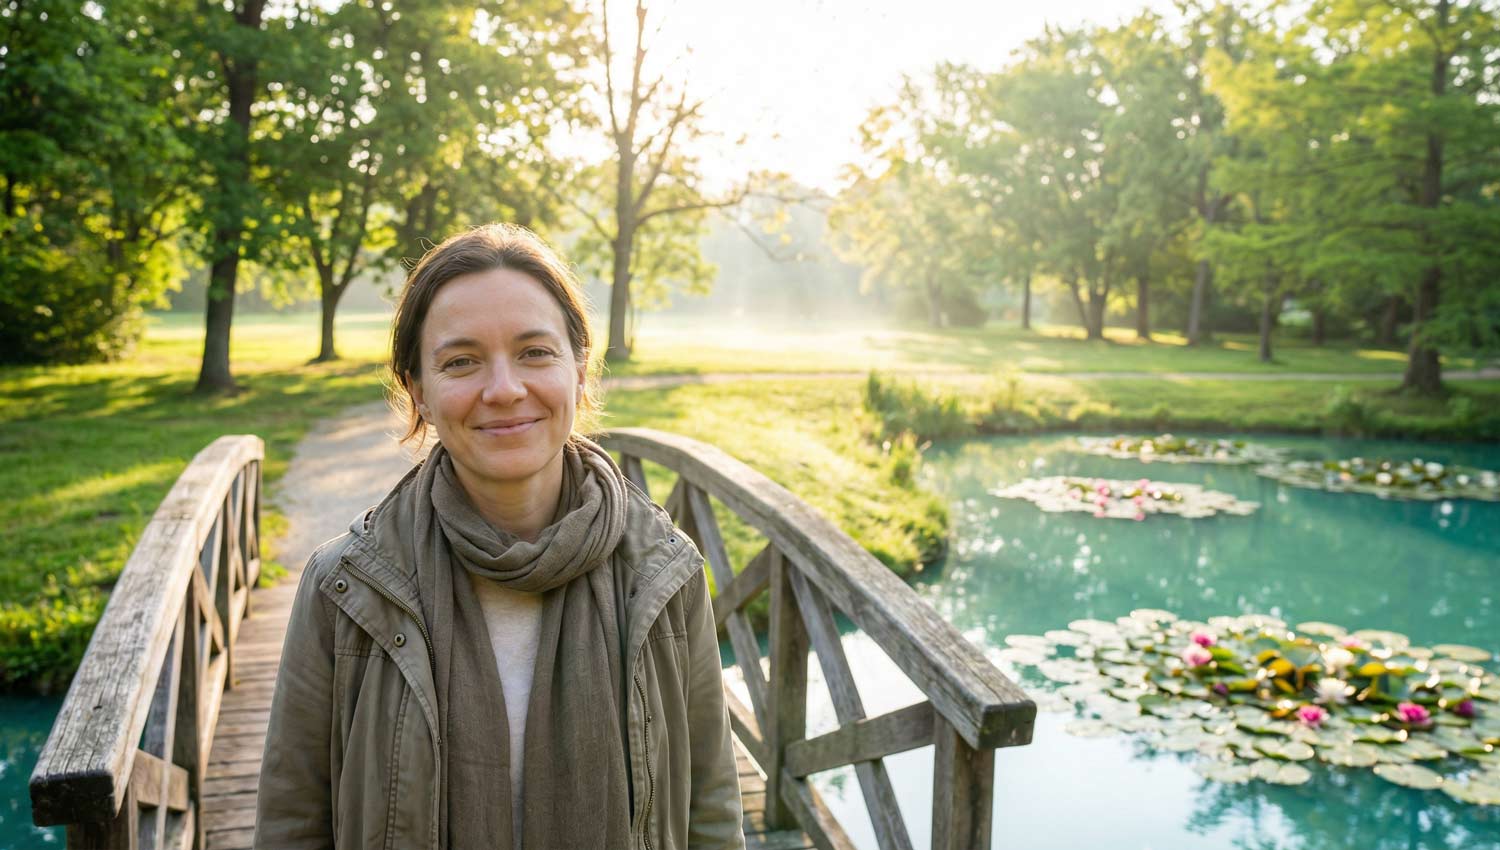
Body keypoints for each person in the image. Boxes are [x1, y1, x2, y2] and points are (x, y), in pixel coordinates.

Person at [254, 224, 746, 850]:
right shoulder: (342, 587)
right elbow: (292, 826)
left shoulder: (665, 574)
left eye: (535, 352)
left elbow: (710, 815)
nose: (504, 389)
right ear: (419, 393)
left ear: (580, 372)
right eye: (460, 362)